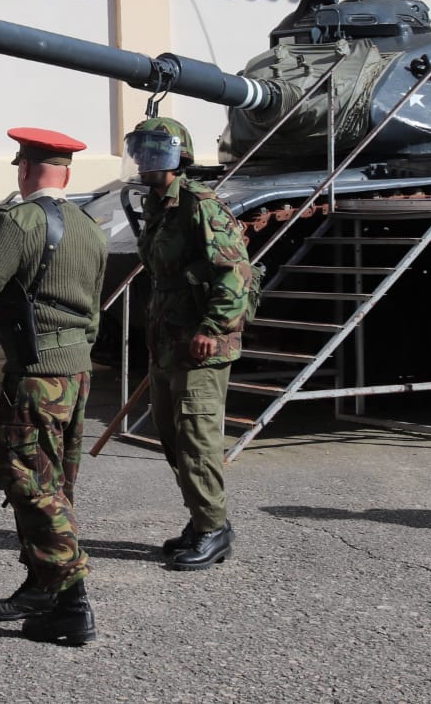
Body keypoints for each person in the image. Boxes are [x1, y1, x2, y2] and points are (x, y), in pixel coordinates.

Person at [0, 127, 107, 646]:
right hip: (75, 371)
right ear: (68, 171)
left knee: (29, 482)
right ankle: (42, 584)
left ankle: (72, 599)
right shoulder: (91, 225)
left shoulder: (20, 221)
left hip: (37, 372)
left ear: (24, 168)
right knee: (56, 481)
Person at [124, 116, 256, 571]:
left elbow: (235, 276)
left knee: (197, 438)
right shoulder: (158, 207)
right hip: (167, 343)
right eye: (139, 149)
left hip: (199, 346)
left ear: (178, 156)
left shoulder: (200, 206)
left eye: (153, 150)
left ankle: (213, 530)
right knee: (172, 437)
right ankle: (202, 518)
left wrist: (213, 329)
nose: (143, 159)